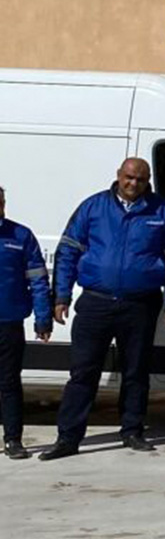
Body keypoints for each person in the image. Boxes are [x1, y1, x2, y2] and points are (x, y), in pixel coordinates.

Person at [40, 158, 165, 461]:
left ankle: (132, 431)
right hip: (96, 303)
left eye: (141, 179)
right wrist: (61, 296)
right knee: (83, 373)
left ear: (148, 181)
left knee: (136, 371)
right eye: (129, 177)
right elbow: (68, 251)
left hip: (140, 304)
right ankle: (68, 437)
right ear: (119, 175)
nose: (134, 184)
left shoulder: (163, 212)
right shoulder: (93, 207)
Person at [0, 185, 52, 459]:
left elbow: (39, 281)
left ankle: (13, 440)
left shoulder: (20, 236)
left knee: (9, 382)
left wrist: (43, 318)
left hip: (8, 322)